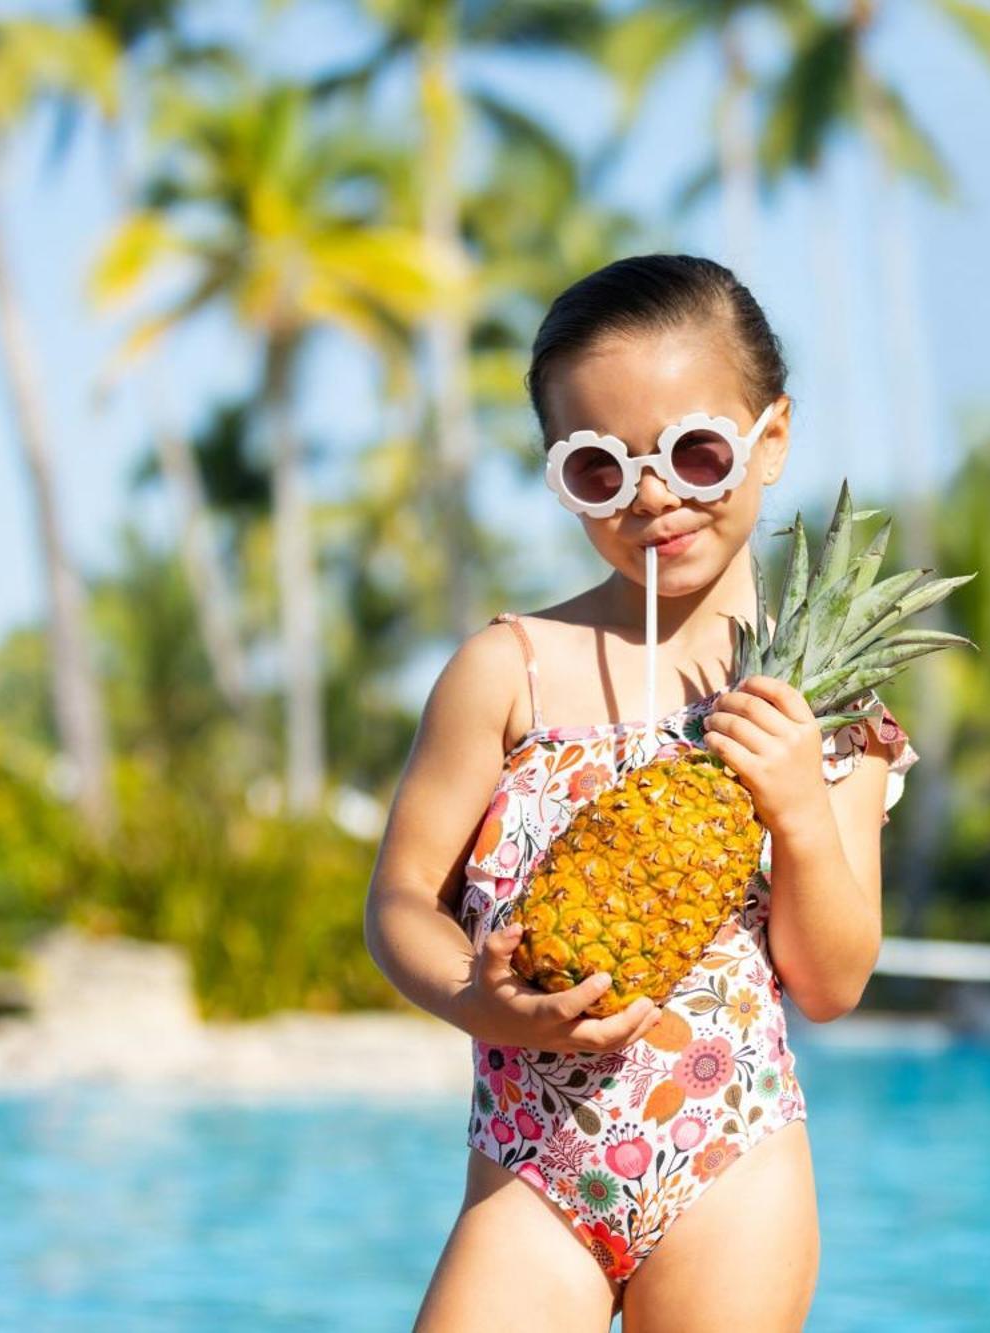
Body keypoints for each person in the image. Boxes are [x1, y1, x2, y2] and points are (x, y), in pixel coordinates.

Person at [364, 254, 915, 1331]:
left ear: (773, 437)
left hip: (733, 1163)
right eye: (598, 469)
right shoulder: (507, 667)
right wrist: (472, 1000)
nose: (654, 494)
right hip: (531, 1167)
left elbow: (833, 979)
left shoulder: (829, 710)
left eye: (695, 451)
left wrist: (799, 806)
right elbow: (397, 903)